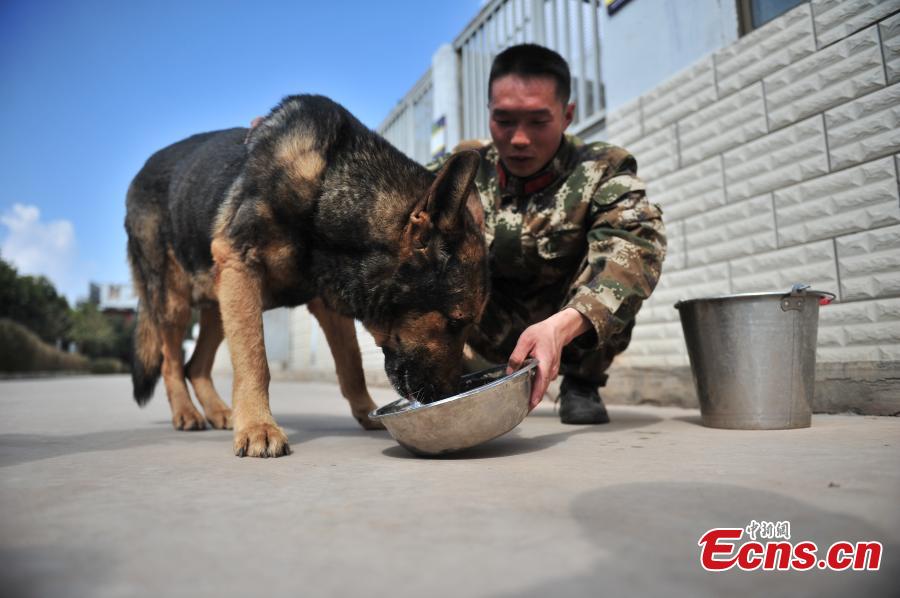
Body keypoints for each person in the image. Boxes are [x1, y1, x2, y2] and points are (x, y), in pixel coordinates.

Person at [444, 43, 667, 424]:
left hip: (567, 328)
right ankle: (467, 379)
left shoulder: (603, 168)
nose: (518, 139)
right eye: (504, 120)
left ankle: (581, 384)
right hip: (487, 329)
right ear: (488, 115)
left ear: (567, 116)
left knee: (623, 269)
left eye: (537, 121)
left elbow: (637, 244)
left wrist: (562, 326)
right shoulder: (463, 171)